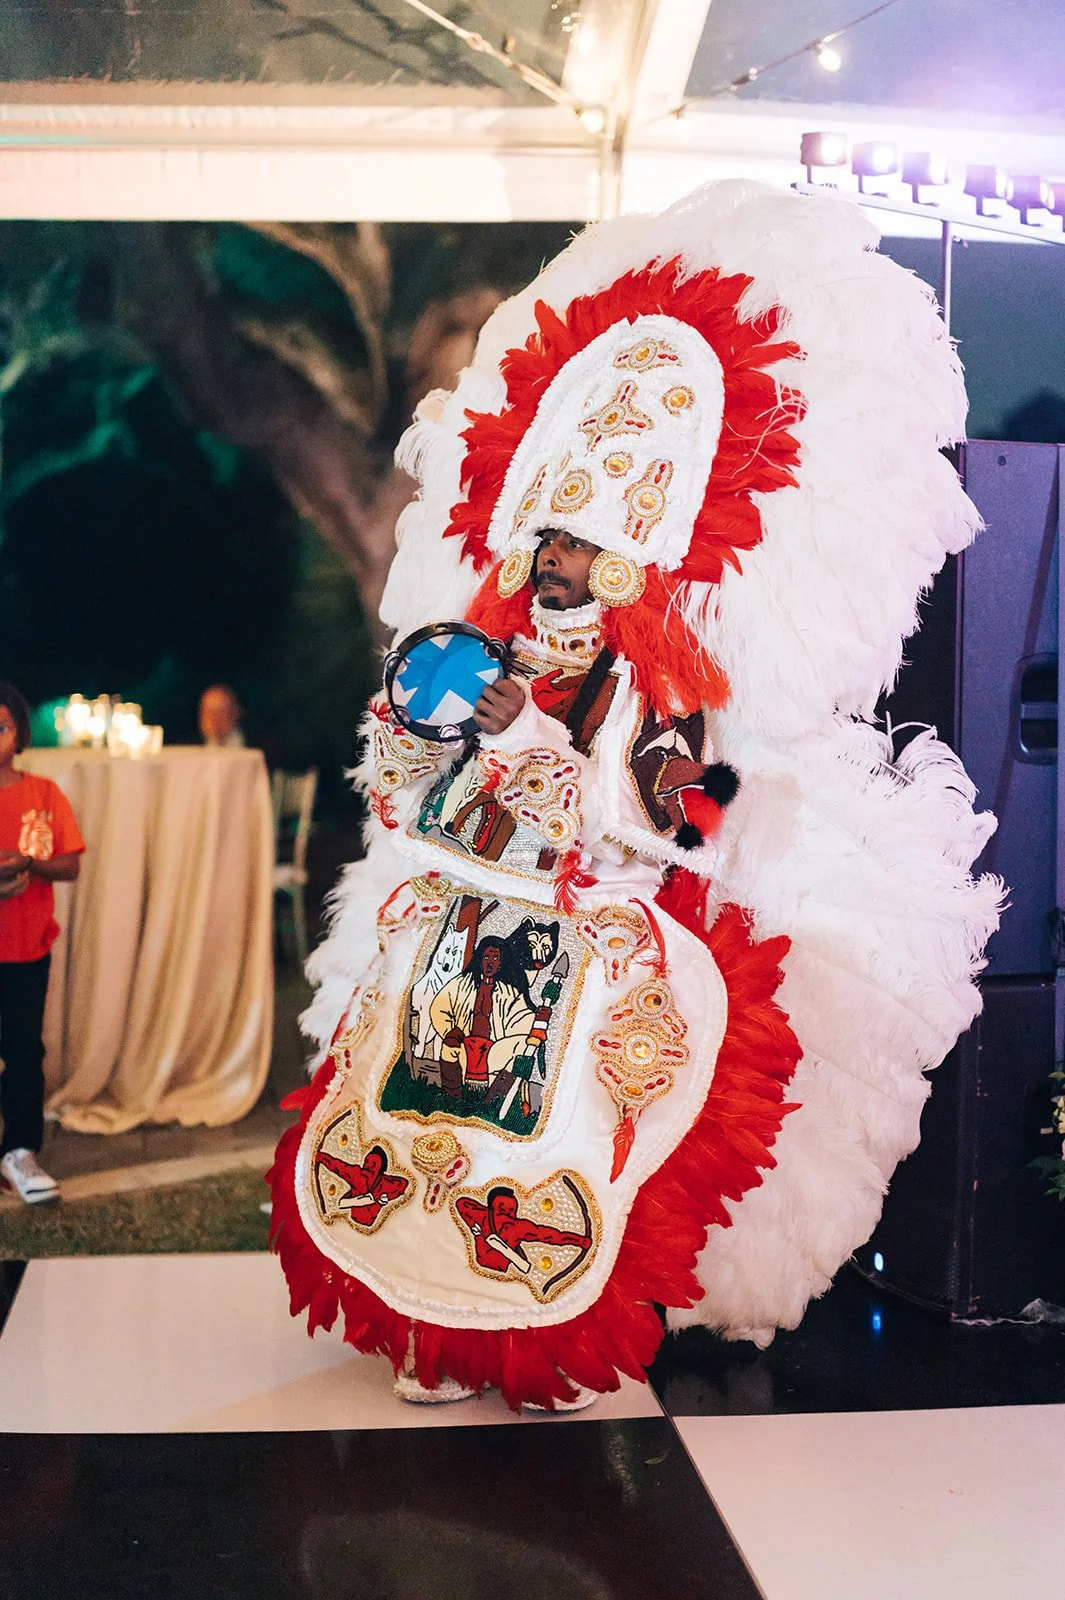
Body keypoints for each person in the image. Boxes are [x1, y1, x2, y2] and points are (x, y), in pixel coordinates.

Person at [269, 179, 1001, 1411]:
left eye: (578, 562)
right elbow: (406, 785)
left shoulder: (657, 685)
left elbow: (689, 819)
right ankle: (426, 1331)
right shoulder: (478, 653)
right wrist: (436, 738)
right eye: (543, 555)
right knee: (404, 1106)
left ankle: (530, 1331)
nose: (555, 579)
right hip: (458, 915)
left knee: (563, 1121)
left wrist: (569, 763)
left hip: (585, 931)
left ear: (625, 572)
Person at [0, 682, 85, 1204]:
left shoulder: (44, 794)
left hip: (26, 946)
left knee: (23, 1051)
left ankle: (20, 1151)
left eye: (1, 726)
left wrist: (29, 865)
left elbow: (71, 863)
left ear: (19, 733)